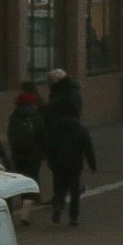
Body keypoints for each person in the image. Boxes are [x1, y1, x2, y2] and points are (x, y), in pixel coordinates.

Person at [39, 69, 93, 222]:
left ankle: (58, 206)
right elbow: (87, 144)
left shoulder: (57, 100)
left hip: (58, 153)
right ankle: (73, 215)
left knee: (59, 183)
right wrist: (91, 163)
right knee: (74, 186)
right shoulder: (74, 94)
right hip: (74, 157)